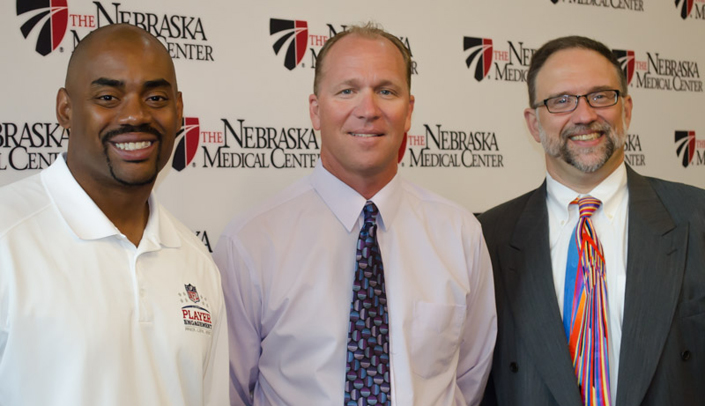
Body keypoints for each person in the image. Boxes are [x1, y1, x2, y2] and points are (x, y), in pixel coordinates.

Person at [214, 23, 496, 406]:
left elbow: (469, 377)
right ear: (316, 111)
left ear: (409, 111)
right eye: (347, 91)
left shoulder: (460, 233)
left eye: (386, 91)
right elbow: (229, 390)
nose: (368, 110)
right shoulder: (250, 241)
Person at [0, 24, 228, 405]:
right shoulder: (8, 238)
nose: (135, 115)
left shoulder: (195, 260)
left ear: (179, 110)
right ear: (66, 109)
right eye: (108, 97)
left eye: (156, 97)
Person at [479, 36, 705, 406]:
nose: (584, 115)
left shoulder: (697, 217)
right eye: (561, 101)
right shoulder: (489, 238)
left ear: (626, 110)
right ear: (534, 124)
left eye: (601, 96)